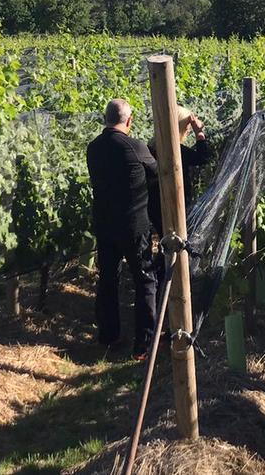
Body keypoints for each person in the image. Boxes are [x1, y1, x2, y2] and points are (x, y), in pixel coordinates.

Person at [86, 99, 161, 360]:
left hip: (104, 224)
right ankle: (144, 346)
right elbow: (158, 171)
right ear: (128, 121)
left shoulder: (93, 148)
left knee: (108, 278)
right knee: (145, 280)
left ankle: (109, 335)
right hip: (133, 225)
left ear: (105, 118)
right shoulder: (135, 146)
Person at [145, 106, 212, 237]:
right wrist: (199, 133)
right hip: (176, 204)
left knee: (165, 239)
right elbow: (204, 158)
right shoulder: (178, 151)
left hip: (153, 204)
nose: (187, 131)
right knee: (178, 240)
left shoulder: (150, 148)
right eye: (186, 128)